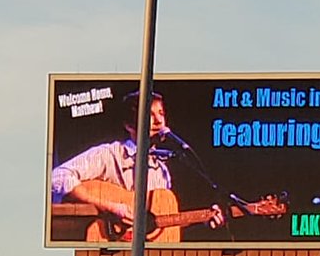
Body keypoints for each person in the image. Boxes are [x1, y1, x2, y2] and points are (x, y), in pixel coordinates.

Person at [51, 90, 224, 242]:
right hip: (106, 245)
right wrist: (109, 206)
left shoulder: (161, 169)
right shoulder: (108, 154)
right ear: (129, 125)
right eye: (150, 115)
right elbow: (57, 177)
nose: (159, 121)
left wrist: (203, 218)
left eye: (161, 113)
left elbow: (160, 222)